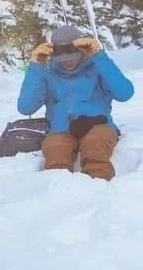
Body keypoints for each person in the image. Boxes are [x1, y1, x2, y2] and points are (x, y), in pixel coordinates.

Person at [18, 24, 135, 180]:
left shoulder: (97, 67)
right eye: (62, 58)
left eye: (72, 57)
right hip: (61, 130)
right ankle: (57, 192)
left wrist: (99, 56)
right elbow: (26, 107)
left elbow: (124, 93)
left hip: (98, 125)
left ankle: (99, 187)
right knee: (56, 151)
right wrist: (36, 66)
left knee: (95, 146)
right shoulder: (48, 73)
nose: (68, 62)